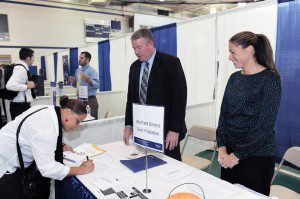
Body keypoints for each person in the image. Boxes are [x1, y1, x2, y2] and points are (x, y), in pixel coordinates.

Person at [216, 31, 282, 196]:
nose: (230, 57)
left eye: (233, 52)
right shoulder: (234, 78)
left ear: (249, 50)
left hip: (257, 157)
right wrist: (222, 148)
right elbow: (224, 116)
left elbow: (264, 127)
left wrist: (236, 156)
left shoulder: (270, 80)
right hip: (230, 154)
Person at [0, 96, 94, 198]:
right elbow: (48, 169)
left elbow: (34, 136)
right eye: (78, 121)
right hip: (6, 163)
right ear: (68, 112)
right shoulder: (46, 128)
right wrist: (82, 169)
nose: (77, 126)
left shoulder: (50, 111)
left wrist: (60, 146)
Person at [123, 28, 187, 161]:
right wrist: (128, 124)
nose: (136, 52)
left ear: (150, 44)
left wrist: (175, 130)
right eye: (134, 48)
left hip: (166, 131)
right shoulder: (134, 67)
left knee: (170, 168)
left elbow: (179, 99)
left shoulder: (171, 63)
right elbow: (131, 98)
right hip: (143, 129)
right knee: (146, 166)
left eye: (139, 47)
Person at [6, 48, 36, 120]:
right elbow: (10, 85)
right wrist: (27, 86)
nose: (34, 59)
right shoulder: (21, 69)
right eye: (33, 57)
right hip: (20, 107)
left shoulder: (20, 68)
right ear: (28, 58)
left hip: (19, 106)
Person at [70, 52, 99, 119]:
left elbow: (97, 85)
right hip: (79, 100)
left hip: (90, 100)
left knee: (92, 123)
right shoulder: (77, 71)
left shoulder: (92, 71)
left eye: (82, 58)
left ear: (87, 60)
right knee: (78, 122)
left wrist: (89, 81)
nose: (79, 59)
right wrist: (73, 82)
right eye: (79, 58)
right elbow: (76, 85)